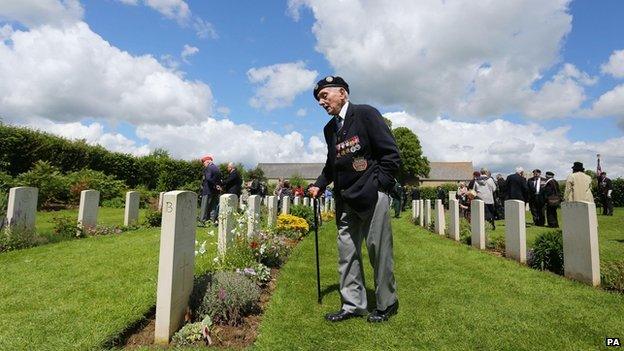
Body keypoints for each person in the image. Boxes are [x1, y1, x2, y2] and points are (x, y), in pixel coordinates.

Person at [308, 76, 400, 323]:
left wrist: (379, 185)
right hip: (345, 200)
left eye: (324, 96)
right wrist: (318, 185)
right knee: (347, 254)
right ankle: (353, 305)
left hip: (370, 195)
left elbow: (390, 155)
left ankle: (386, 303)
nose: (321, 102)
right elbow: (332, 165)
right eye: (318, 99)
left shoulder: (366, 114)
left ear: (342, 93)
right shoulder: (330, 129)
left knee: (378, 252)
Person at [199, 154, 222, 223]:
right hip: (215, 191)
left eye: (204, 163)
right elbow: (219, 180)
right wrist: (217, 186)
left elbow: (208, 178)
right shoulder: (217, 168)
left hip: (208, 189)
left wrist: (215, 185)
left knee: (204, 206)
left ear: (208, 161)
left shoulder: (209, 168)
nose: (204, 165)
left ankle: (202, 220)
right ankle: (212, 220)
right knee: (213, 206)